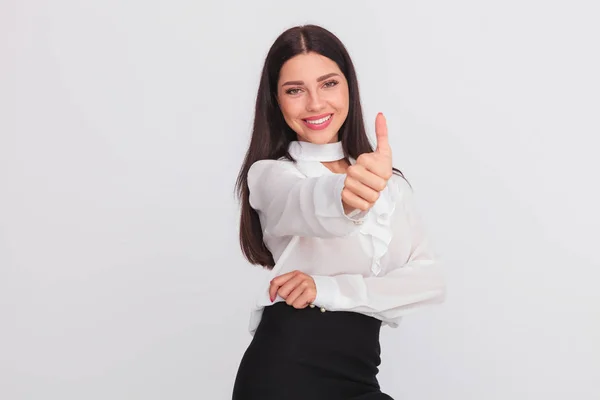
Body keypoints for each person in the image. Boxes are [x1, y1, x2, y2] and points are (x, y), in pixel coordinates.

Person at [231, 24, 446, 400]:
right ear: (276, 101)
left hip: (359, 375)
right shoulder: (270, 176)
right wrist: (346, 196)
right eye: (295, 91)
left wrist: (328, 288)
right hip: (285, 373)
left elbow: (428, 282)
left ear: (349, 87)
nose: (315, 104)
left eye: (328, 84)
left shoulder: (388, 183)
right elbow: (306, 201)